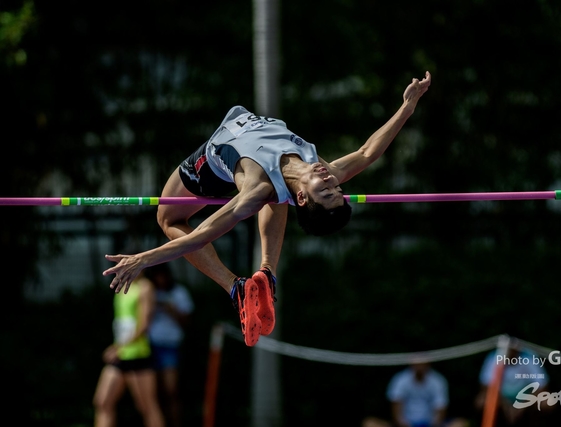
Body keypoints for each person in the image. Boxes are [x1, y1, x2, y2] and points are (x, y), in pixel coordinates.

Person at [103, 71, 432, 346]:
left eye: (326, 191)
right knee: (279, 194)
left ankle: (234, 287)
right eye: (337, 188)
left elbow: (202, 234)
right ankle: (266, 275)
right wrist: (407, 107)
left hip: (211, 166)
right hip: (255, 156)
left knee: (168, 216)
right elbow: (366, 153)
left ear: (305, 199)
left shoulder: (256, 190)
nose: (330, 181)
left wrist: (143, 259)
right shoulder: (321, 169)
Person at [93, 270, 165, 427]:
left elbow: (144, 324)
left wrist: (120, 347)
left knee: (147, 406)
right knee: (103, 401)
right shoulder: (123, 286)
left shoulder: (145, 287)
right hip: (120, 355)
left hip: (137, 354)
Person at [145, 262, 194, 427]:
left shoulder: (179, 293)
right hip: (150, 346)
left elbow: (187, 322)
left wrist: (170, 309)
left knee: (171, 391)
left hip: (170, 347)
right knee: (153, 394)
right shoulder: (149, 292)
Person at [474, 339, 551, 427]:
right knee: (482, 401)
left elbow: (542, 386)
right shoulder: (494, 357)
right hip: (501, 399)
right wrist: (506, 405)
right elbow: (486, 387)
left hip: (526, 399)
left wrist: (522, 404)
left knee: (547, 401)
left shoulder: (529, 356)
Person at [386, 361, 450, 427]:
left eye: (422, 362)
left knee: (458, 423)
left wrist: (434, 424)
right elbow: (396, 407)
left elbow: (441, 406)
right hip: (406, 424)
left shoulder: (438, 380)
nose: (420, 365)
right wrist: (403, 424)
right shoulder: (400, 379)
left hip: (430, 423)